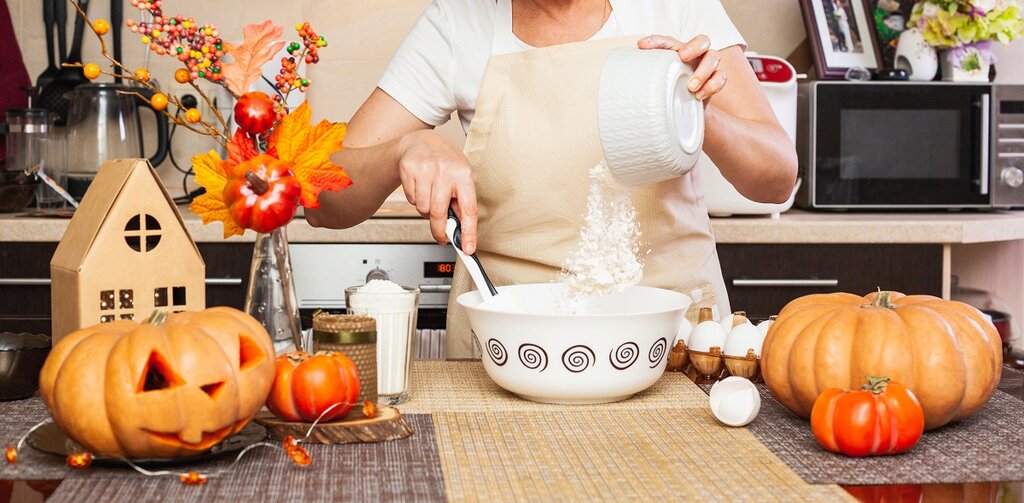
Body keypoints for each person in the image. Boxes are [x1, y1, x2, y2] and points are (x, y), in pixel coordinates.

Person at [307, 0, 797, 358]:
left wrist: (692, 110)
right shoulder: (457, 25)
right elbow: (322, 199)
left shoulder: (674, 9)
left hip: (673, 350)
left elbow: (776, 178)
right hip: (511, 353)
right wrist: (401, 150)